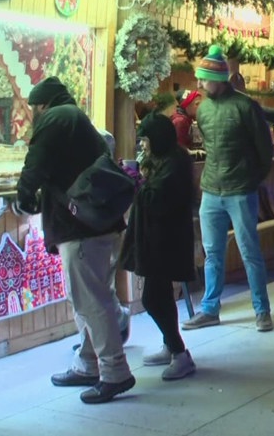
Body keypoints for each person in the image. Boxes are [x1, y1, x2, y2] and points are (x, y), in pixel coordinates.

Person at [17, 77, 135, 404]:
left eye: (33, 109)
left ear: (41, 105)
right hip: (99, 225)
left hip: (82, 230)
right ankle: (88, 364)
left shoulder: (55, 119)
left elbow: (35, 165)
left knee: (91, 302)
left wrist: (24, 195)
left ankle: (114, 372)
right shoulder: (73, 116)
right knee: (91, 297)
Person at [182, 44, 274, 332]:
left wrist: (252, 179)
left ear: (220, 79)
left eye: (203, 78)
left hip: (239, 190)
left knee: (250, 252)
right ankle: (210, 309)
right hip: (211, 190)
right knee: (213, 253)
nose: (198, 83)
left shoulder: (246, 107)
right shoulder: (203, 109)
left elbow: (265, 150)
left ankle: (262, 310)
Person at [118, 112, 197, 380]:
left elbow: (160, 200)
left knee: (153, 297)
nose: (142, 146)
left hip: (165, 240)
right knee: (160, 294)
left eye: (145, 140)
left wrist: (137, 183)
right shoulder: (161, 160)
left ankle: (180, 353)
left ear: (158, 139)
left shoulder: (175, 163)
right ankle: (170, 345)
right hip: (155, 238)